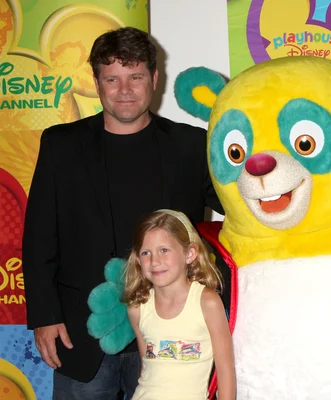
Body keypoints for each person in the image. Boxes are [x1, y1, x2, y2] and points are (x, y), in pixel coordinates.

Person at [22, 27, 222, 399]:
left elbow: (240, 212)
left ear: (154, 79)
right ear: (97, 83)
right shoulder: (60, 146)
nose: (125, 89)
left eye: (135, 77)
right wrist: (45, 316)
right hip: (81, 333)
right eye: (112, 78)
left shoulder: (191, 145)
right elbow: (38, 239)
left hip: (173, 333)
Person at [124, 209, 234, 400]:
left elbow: (225, 370)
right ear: (138, 261)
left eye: (164, 250)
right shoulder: (138, 308)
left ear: (189, 254)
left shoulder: (206, 302)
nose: (154, 261)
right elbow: (147, 368)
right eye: (146, 253)